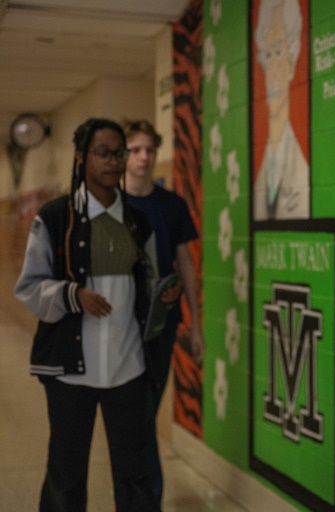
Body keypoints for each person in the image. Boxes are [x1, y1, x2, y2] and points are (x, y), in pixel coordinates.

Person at [14, 118, 161, 512]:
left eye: (118, 153)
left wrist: (163, 296)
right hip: (70, 373)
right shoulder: (55, 217)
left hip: (128, 369)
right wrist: (72, 295)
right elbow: (28, 288)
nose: (113, 161)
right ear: (81, 158)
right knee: (66, 472)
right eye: (103, 153)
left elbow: (149, 286)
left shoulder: (137, 221)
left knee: (134, 473)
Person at [122, 118, 204, 500]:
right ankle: (143, 496)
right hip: (119, 326)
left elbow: (185, 262)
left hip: (162, 324)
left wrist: (196, 325)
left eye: (150, 150)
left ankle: (146, 497)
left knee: (143, 416)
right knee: (133, 419)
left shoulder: (171, 205)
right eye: (135, 150)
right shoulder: (110, 204)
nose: (143, 157)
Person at [253, 0, 310, 220]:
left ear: (292, 62)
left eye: (278, 53)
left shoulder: (302, 173)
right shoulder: (261, 177)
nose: (272, 70)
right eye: (267, 56)